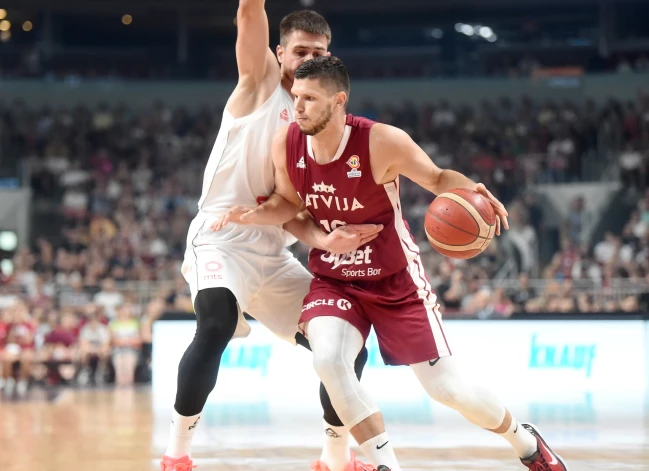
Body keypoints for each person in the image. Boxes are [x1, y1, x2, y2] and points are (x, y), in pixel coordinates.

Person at [217, 56, 569, 471]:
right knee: (328, 359)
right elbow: (289, 206)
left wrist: (474, 190)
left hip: (395, 281)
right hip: (335, 280)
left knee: (448, 390)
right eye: (296, 97)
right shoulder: (286, 143)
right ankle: (387, 465)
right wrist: (255, 214)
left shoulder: (380, 141)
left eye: (310, 98)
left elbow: (437, 179)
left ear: (338, 101)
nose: (298, 107)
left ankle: (525, 442)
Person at [161, 4, 380, 471]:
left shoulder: (322, 121)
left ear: (330, 58)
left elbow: (302, 204)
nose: (306, 59)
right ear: (279, 54)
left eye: (317, 52)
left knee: (347, 339)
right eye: (299, 51)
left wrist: (327, 237)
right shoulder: (260, 84)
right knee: (216, 322)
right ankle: (176, 453)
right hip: (222, 236)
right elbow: (247, 14)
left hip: (276, 250)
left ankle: (334, 457)